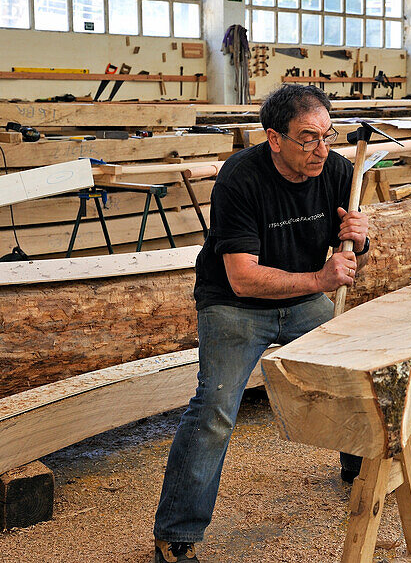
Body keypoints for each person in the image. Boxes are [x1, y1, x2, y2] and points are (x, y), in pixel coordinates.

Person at [153, 84, 369, 563]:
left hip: (305, 297)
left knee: (353, 374)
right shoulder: (240, 179)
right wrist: (320, 276)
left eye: (328, 135)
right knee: (214, 408)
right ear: (274, 138)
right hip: (233, 305)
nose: (321, 149)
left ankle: (360, 471)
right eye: (307, 139)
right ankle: (177, 533)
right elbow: (243, 278)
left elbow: (347, 251)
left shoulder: (337, 170)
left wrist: (357, 239)